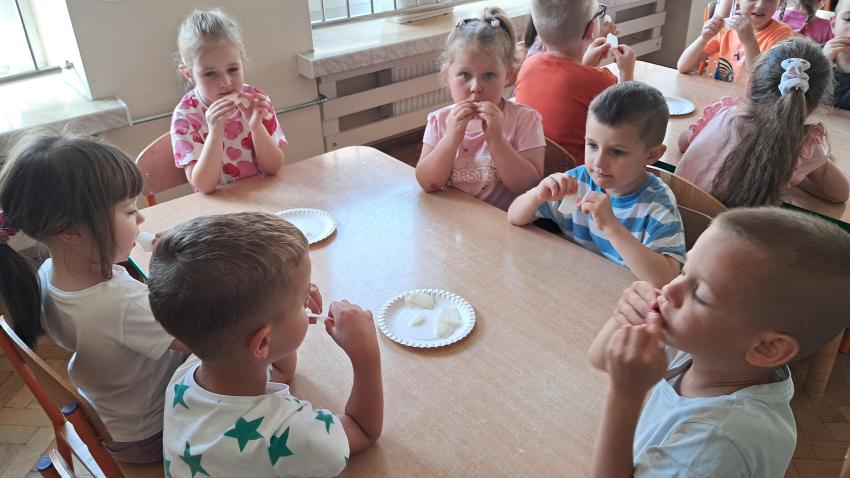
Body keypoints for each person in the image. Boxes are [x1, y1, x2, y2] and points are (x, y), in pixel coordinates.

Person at [588, 207, 850, 477]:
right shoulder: (714, 351)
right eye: (684, 271)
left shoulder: (718, 442)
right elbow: (601, 357)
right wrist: (628, 317)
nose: (669, 288)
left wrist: (625, 396)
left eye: (700, 295)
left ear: (767, 348)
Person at [148, 212, 383, 477]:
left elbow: (281, 370)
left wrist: (288, 304)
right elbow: (362, 429)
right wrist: (366, 356)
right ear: (261, 343)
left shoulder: (184, 378)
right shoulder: (290, 434)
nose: (307, 300)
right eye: (301, 302)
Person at [0, 133, 186, 463]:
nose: (141, 218)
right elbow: (202, 338)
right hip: (153, 431)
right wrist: (176, 270)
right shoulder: (120, 303)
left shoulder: (48, 273)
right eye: (129, 211)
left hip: (114, 418)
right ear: (70, 231)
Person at [508, 82, 685, 288]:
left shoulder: (658, 204)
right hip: (573, 287)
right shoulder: (579, 180)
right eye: (592, 145)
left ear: (653, 155)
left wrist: (611, 227)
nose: (598, 162)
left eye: (616, 151)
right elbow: (515, 217)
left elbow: (666, 280)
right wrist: (537, 194)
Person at [676, 37, 849, 207]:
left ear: (750, 86)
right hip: (728, 225)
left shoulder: (725, 112)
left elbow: (683, 143)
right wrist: (796, 171)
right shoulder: (800, 144)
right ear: (813, 108)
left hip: (675, 213)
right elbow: (840, 193)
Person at [416, 7, 546, 211]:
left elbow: (528, 186)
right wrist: (451, 138)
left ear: (508, 75)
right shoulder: (439, 121)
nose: (476, 87)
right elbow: (427, 182)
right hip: (454, 221)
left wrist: (497, 140)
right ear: (447, 75)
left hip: (504, 224)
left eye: (489, 75)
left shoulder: (526, 120)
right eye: (464, 75)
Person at [171, 8, 286, 193]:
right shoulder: (186, 116)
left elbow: (274, 167)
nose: (225, 82)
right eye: (210, 74)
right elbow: (203, 186)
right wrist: (215, 135)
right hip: (218, 205)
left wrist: (256, 127)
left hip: (262, 195)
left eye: (233, 70)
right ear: (189, 74)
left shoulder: (256, 101)